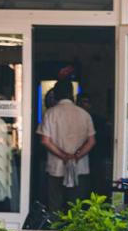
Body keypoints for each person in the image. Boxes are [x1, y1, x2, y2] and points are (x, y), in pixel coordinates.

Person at [37, 79, 95, 211]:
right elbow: (91, 141)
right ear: (72, 94)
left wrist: (63, 156)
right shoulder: (84, 114)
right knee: (77, 208)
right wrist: (76, 156)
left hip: (56, 168)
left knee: (55, 206)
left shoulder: (50, 114)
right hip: (80, 168)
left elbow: (45, 140)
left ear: (56, 94)